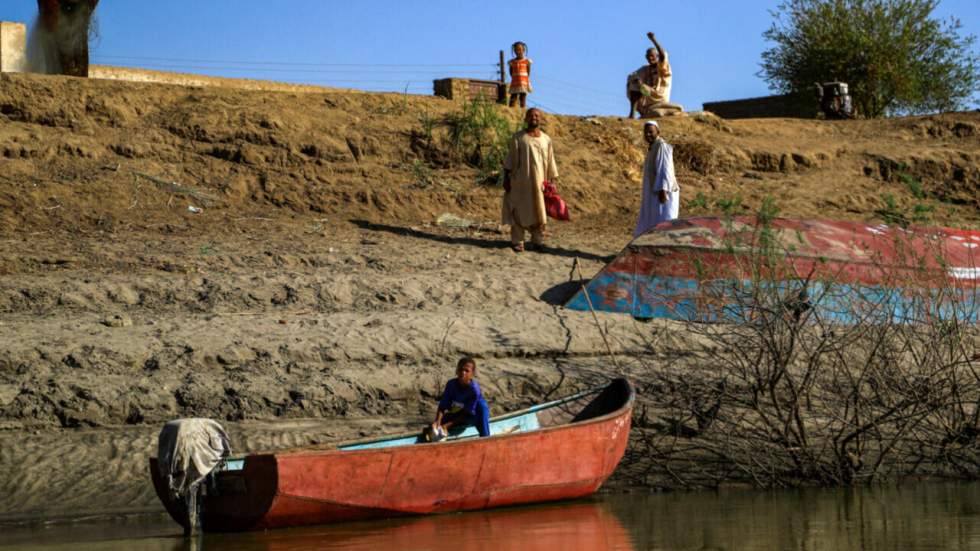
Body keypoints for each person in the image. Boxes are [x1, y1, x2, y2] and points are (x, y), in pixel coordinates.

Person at [502, 108, 560, 252]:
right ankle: (518, 241)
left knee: (539, 211)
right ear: (526, 119)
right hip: (521, 183)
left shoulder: (546, 139)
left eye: (537, 115)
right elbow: (509, 160)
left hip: (540, 183)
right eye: (531, 115)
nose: (534, 117)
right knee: (519, 211)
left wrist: (552, 181)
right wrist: (506, 179)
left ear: (540, 119)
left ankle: (537, 241)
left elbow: (551, 161)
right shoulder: (518, 138)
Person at [634, 121, 680, 237]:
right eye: (646, 132)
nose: (648, 135)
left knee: (664, 221)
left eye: (651, 132)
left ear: (658, 132)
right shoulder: (653, 147)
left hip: (661, 192)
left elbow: (665, 169)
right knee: (654, 220)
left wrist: (663, 190)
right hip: (654, 191)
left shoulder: (662, 146)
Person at [431, 357, 491, 440]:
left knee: (482, 408)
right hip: (458, 410)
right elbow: (442, 405)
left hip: (472, 414)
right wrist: (438, 420)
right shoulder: (451, 384)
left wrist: (447, 425)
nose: (463, 373)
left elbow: (467, 414)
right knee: (436, 426)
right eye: (461, 370)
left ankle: (485, 438)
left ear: (472, 374)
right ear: (456, 371)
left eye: (467, 371)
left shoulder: (474, 390)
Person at [627, 32, 683, 119]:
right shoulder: (646, 69)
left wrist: (653, 40)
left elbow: (662, 55)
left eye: (653, 56)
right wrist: (636, 80)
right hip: (649, 95)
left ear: (657, 56)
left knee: (639, 86)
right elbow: (632, 75)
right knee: (633, 85)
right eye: (648, 56)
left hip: (659, 96)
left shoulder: (662, 66)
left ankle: (640, 113)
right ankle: (632, 115)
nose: (650, 58)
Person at [508, 42, 533, 109]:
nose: (518, 51)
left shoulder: (527, 61)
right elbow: (511, 72)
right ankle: (511, 109)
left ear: (523, 50)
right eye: (516, 50)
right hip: (515, 82)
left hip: (523, 81)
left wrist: (525, 78)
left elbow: (528, 71)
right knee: (513, 96)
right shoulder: (512, 62)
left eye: (520, 49)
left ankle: (522, 109)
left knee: (523, 96)